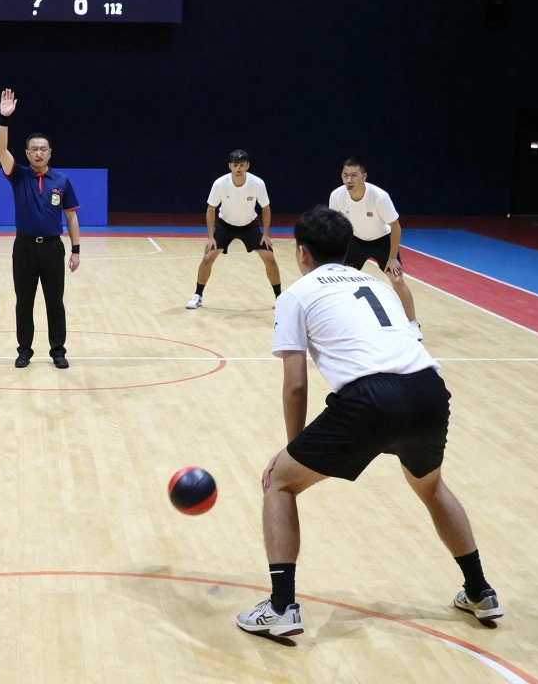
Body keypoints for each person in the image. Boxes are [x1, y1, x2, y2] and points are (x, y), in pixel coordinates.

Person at [235, 206, 500, 638]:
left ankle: (282, 606)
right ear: (347, 247)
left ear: (301, 253)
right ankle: (480, 590)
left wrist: (292, 448)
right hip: (429, 390)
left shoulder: (296, 294)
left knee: (279, 482)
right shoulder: (377, 283)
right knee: (430, 486)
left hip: (371, 399)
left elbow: (296, 385)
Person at [0, 88, 81, 369]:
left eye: (43, 149)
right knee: (25, 302)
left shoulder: (62, 181)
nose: (39, 152)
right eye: (34, 149)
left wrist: (76, 250)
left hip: (54, 248)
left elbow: (70, 217)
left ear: (50, 152)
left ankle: (58, 351)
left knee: (55, 302)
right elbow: (0, 149)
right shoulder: (18, 175)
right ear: (27, 153)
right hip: (24, 248)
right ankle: (24, 350)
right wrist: (4, 119)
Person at [328, 157, 423, 341]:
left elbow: (395, 226)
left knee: (398, 280)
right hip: (355, 241)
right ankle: (339, 323)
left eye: (354, 175)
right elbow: (335, 225)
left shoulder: (379, 196)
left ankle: (413, 324)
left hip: (382, 241)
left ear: (364, 177)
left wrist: (393, 257)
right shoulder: (336, 196)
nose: (349, 180)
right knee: (338, 281)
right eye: (345, 175)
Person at [186, 150, 282, 309]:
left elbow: (266, 208)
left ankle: (279, 297)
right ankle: (198, 295)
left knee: (270, 258)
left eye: (242, 165)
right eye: (235, 165)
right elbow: (211, 209)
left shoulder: (257, 183)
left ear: (248, 166)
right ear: (230, 166)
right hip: (225, 225)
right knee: (207, 258)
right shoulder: (220, 184)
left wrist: (265, 234)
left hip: (250, 225)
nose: (238, 168)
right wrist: (211, 238)